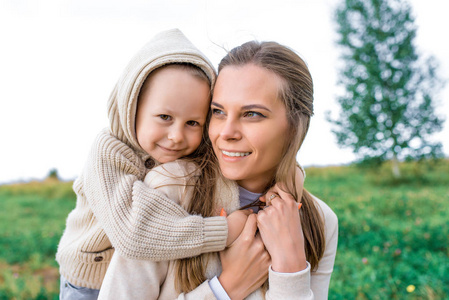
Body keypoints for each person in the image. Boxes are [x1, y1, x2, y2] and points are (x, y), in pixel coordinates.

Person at [98, 40, 338, 299]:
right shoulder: (170, 188)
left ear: (295, 125)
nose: (226, 133)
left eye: (252, 114)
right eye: (218, 112)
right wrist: (224, 290)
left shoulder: (320, 220)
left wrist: (290, 271)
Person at [56, 29, 248, 299]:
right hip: (90, 283)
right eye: (164, 117)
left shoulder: (189, 153)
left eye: (193, 122)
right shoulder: (108, 153)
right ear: (132, 106)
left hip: (143, 281)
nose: (177, 136)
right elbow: (133, 233)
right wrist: (223, 231)